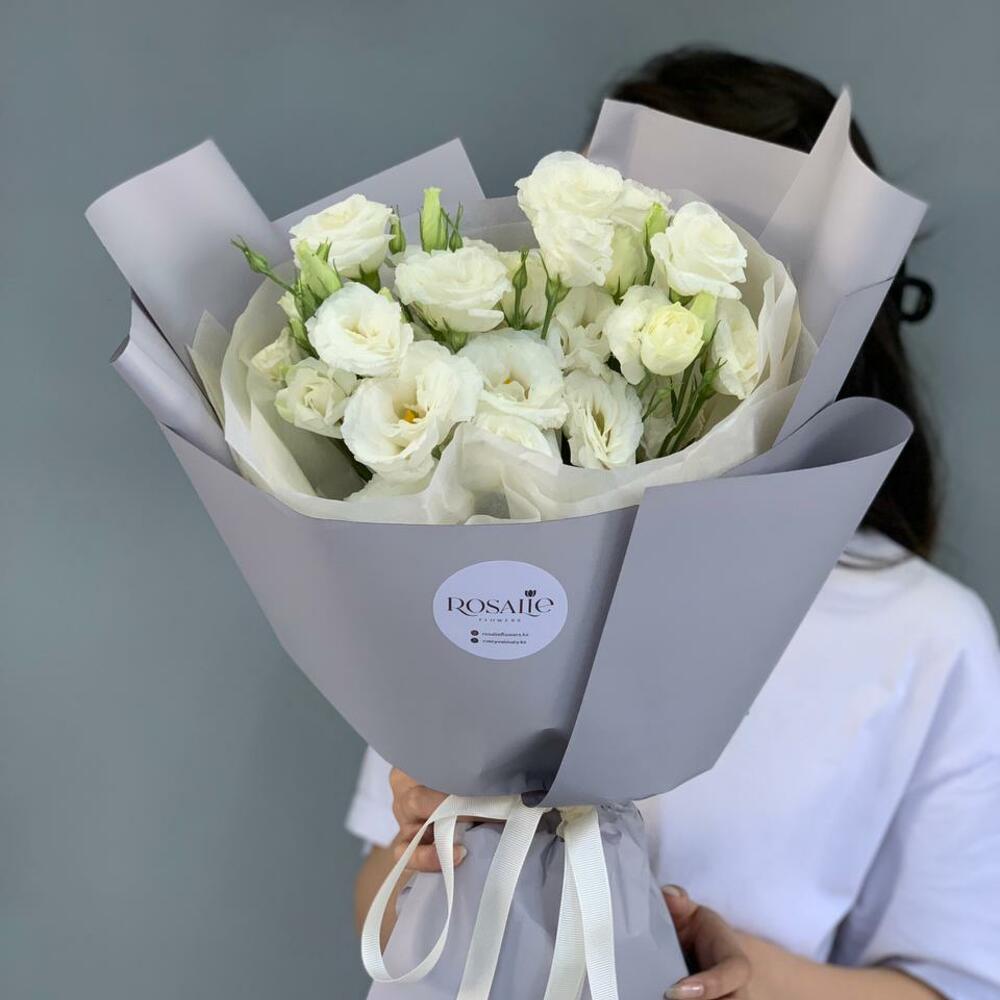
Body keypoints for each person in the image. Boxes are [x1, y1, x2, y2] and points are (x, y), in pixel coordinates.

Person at [349, 49, 1000, 1000]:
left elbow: (958, 982)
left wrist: (751, 978)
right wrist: (428, 848)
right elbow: (379, 901)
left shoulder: (925, 636)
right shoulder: (488, 550)